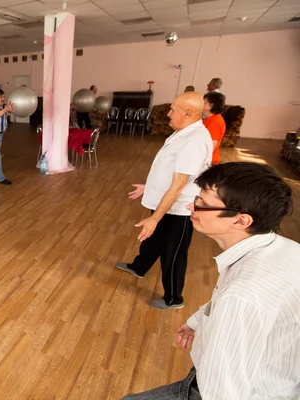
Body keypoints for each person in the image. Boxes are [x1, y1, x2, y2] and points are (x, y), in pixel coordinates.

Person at [123, 162, 298, 400]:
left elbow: (222, 392)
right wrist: (199, 321)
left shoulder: (241, 294)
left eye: (202, 204)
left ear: (241, 220)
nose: (190, 206)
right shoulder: (284, 249)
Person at [116, 92, 212, 310]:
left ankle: (173, 298)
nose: (168, 114)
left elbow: (179, 185)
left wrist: (155, 218)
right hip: (165, 202)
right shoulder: (184, 133)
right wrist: (149, 187)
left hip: (178, 210)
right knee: (152, 240)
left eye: (172, 109)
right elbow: (170, 171)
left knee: (173, 253)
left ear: (187, 112)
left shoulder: (194, 141)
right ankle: (139, 267)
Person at [202, 92, 226, 165]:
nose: (201, 104)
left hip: (209, 162)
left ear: (211, 106)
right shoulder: (208, 119)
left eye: (204, 102)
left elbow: (210, 147)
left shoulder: (215, 122)